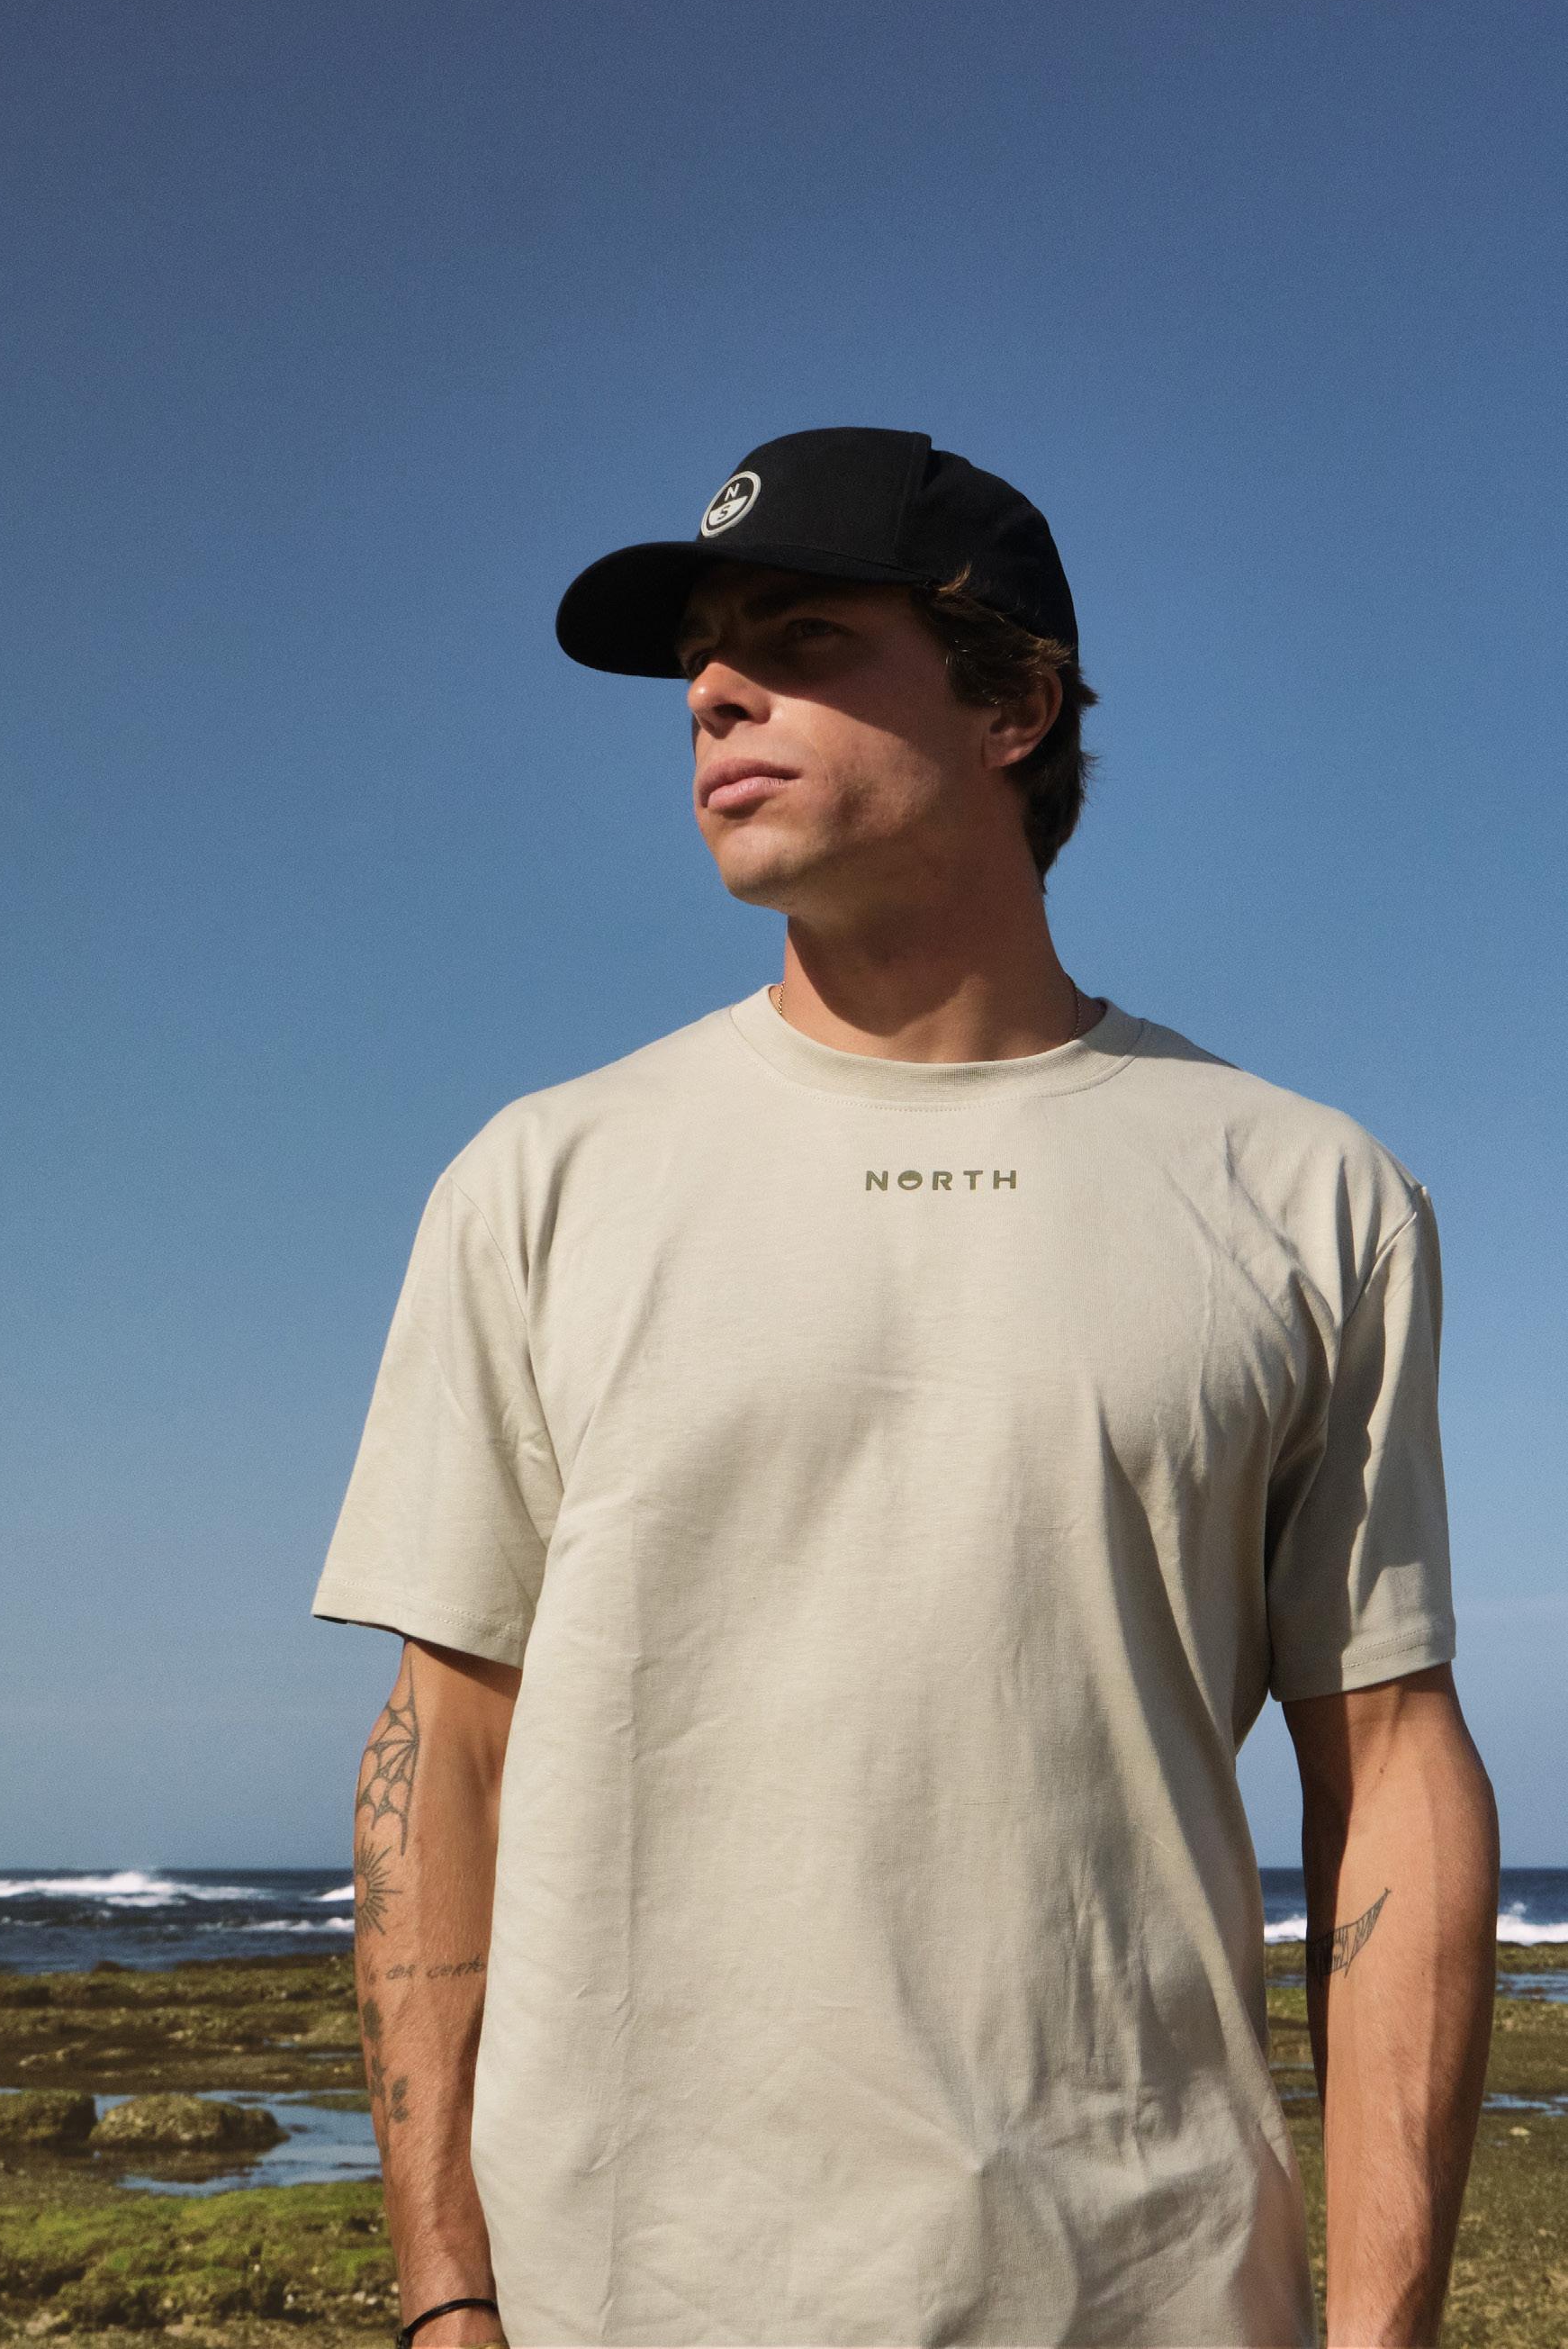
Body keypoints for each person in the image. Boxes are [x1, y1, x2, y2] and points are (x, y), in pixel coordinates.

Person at [310, 427, 1499, 2349]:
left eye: (798, 639)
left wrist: (1382, 2330)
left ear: (1015, 703)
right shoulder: (542, 1179)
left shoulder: (1301, 1191)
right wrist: (448, 2298)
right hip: (635, 2301)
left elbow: (1390, 1761)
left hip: (1150, 2296)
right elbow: (445, 1751)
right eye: (699, 657)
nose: (712, 694)